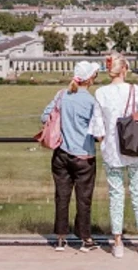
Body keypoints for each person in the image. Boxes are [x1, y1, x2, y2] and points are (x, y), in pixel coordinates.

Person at [90, 55, 138, 258]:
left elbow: (98, 128)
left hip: (112, 151)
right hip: (135, 151)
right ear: (124, 70)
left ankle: (118, 241)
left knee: (116, 196)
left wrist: (107, 140)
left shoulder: (101, 93)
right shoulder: (135, 90)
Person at [42, 60, 102, 253]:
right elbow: (98, 130)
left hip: (61, 154)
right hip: (84, 155)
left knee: (62, 196)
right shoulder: (91, 101)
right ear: (91, 78)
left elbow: (45, 117)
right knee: (84, 199)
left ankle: (60, 238)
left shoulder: (61, 95)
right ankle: (85, 238)